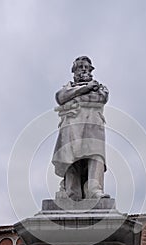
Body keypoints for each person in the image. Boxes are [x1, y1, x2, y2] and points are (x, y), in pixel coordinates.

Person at [52, 56, 109, 200]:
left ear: (91, 70)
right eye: (80, 67)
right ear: (74, 71)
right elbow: (60, 97)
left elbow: (101, 98)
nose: (83, 69)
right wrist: (86, 89)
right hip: (72, 124)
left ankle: (95, 190)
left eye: (86, 67)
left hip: (93, 123)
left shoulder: (100, 87)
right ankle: (72, 193)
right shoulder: (68, 87)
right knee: (71, 158)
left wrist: (75, 98)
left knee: (96, 155)